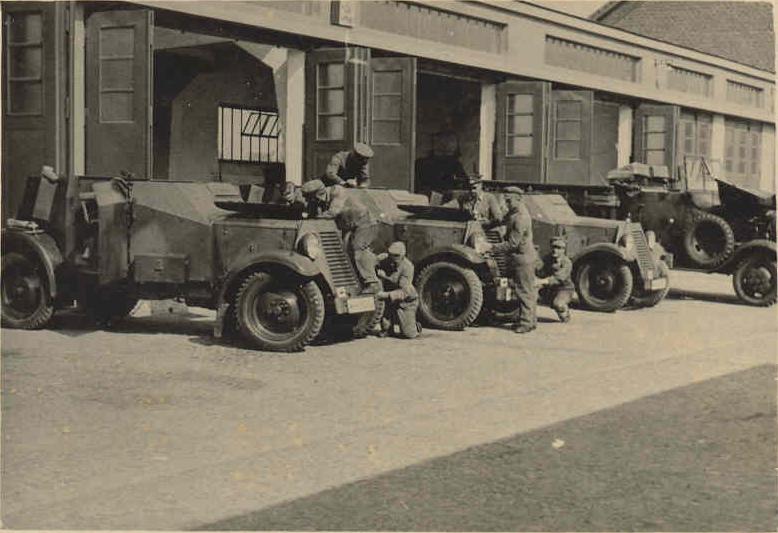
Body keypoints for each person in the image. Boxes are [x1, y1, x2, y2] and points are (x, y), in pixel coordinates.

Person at [482, 186, 538, 333]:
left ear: (518, 199)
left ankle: (526, 323)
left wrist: (491, 247)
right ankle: (530, 320)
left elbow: (513, 243)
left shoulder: (521, 218)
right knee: (527, 289)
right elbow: (501, 220)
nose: (506, 203)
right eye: (506, 200)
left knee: (524, 291)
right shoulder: (514, 212)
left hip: (523, 258)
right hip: (522, 257)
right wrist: (484, 225)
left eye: (509, 200)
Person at [375, 241, 421, 339]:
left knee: (409, 334)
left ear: (402, 256)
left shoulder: (407, 267)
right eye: (390, 255)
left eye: (396, 256)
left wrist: (385, 280)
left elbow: (404, 292)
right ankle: (387, 328)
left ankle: (414, 326)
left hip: (405, 301)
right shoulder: (384, 259)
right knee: (386, 328)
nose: (392, 258)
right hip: (388, 298)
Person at [337, 204, 380, 293]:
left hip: (365, 222)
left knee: (358, 250)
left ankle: (372, 283)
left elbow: (334, 211)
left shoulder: (337, 194)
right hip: (357, 221)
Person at [536, 236, 574, 323]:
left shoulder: (567, 263)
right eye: (553, 247)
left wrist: (541, 281)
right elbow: (539, 269)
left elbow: (558, 278)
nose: (555, 250)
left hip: (565, 289)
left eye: (558, 248)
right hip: (549, 288)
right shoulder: (547, 259)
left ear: (563, 250)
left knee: (558, 304)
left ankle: (564, 312)